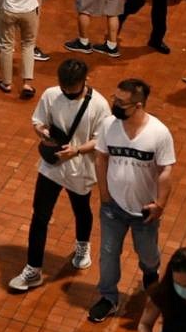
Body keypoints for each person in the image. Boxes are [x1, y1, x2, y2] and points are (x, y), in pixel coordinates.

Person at [8, 59, 111, 292]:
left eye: (72, 91)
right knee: (40, 216)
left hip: (79, 170)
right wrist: (42, 132)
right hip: (51, 167)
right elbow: (38, 121)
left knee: (81, 210)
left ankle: (83, 245)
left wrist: (77, 150)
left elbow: (102, 140)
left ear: (85, 81)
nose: (67, 93)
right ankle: (33, 269)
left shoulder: (100, 105)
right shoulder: (51, 94)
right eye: (64, 89)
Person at [88, 78, 176, 324]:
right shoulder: (109, 125)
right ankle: (108, 297)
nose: (114, 105)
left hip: (144, 211)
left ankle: (150, 272)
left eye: (120, 102)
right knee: (108, 253)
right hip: (112, 208)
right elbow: (101, 158)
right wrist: (104, 195)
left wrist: (160, 205)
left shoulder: (159, 133)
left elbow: (165, 171)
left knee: (147, 254)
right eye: (114, 98)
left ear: (138, 106)